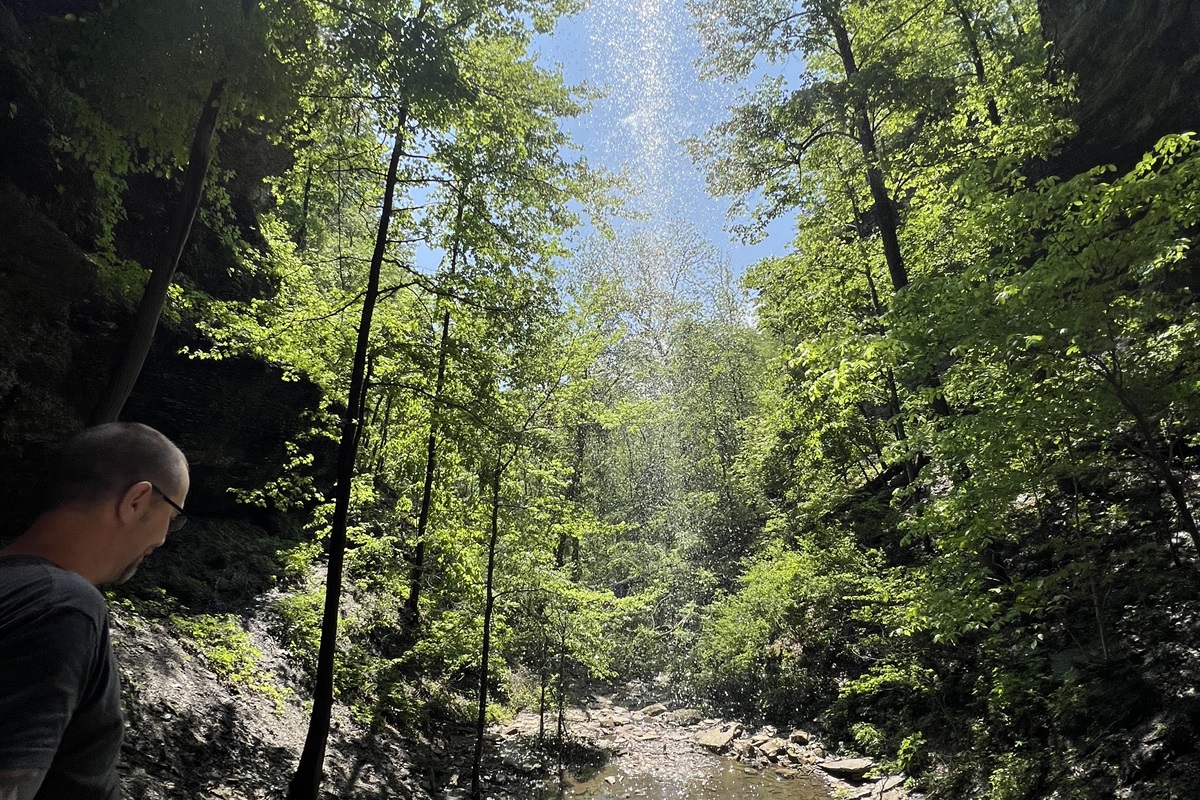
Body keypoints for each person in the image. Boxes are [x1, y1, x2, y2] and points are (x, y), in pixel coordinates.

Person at [0, 422, 189, 800]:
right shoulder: (62, 608)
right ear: (136, 500)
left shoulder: (18, 591)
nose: (164, 538)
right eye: (173, 517)